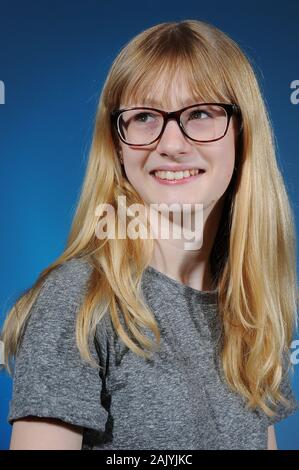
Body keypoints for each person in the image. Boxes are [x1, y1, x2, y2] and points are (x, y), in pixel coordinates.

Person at [1, 19, 298, 450]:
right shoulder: (81, 302)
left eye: (199, 113)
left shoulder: (248, 309)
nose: (171, 144)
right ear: (118, 147)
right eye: (144, 117)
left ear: (242, 132)